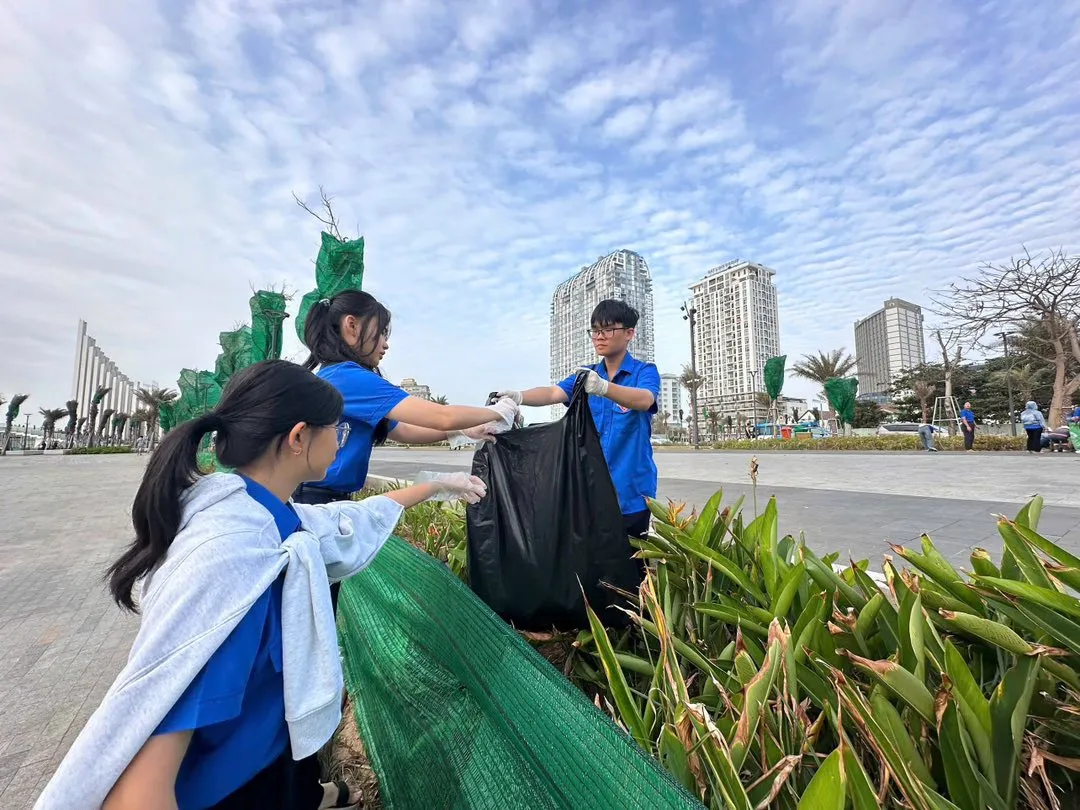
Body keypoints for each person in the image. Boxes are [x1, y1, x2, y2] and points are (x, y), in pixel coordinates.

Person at [37, 360, 487, 810]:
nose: (340, 441)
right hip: (233, 790)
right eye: (336, 430)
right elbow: (137, 792)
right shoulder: (236, 570)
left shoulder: (257, 513)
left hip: (273, 761)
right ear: (298, 438)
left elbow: (342, 521)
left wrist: (433, 487)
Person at [295, 291, 519, 607]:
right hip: (317, 501)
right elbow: (440, 414)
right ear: (352, 326)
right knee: (313, 605)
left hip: (325, 500)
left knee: (319, 600)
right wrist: (501, 411)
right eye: (382, 332)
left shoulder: (338, 377)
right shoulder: (348, 377)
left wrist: (462, 430)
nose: (386, 343)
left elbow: (404, 430)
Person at [495, 299, 660, 544]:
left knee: (633, 568)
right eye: (595, 330)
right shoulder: (587, 376)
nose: (599, 337)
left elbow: (645, 400)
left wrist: (604, 388)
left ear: (629, 333)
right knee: (592, 567)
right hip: (589, 490)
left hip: (631, 491)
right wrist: (519, 396)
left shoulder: (643, 372)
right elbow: (553, 393)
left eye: (607, 330)